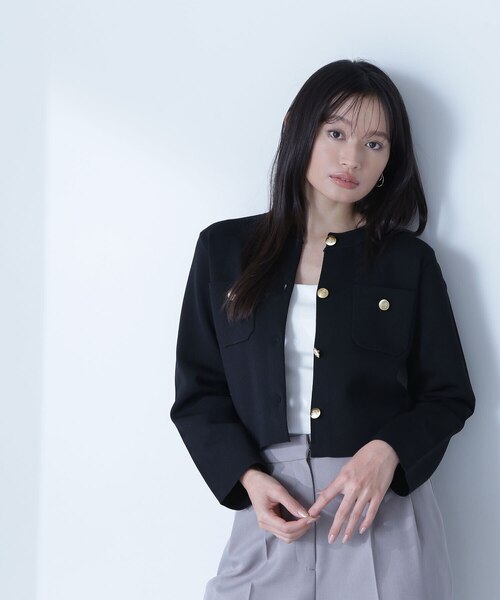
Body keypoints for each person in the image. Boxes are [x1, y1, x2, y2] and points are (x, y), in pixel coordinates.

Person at [171, 59, 476, 599]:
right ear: (296, 126)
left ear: (391, 160)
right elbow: (199, 391)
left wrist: (387, 451)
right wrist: (248, 478)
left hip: (381, 515)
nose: (352, 158)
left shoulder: (409, 263)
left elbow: (448, 394)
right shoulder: (224, 250)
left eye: (374, 144)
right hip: (272, 516)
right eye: (336, 132)